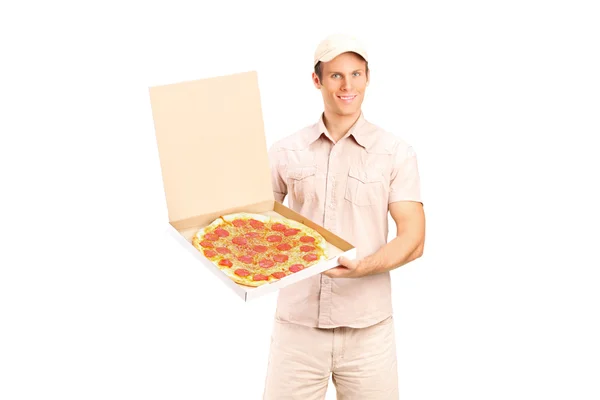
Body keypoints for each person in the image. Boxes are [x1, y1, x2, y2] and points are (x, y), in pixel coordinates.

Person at [262, 33, 426, 400]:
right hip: (297, 328)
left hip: (368, 331)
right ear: (317, 80)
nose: (347, 86)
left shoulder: (395, 153)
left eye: (356, 74)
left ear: (368, 77)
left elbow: (414, 239)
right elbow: (255, 225)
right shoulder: (285, 151)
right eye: (336, 75)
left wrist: (363, 267)